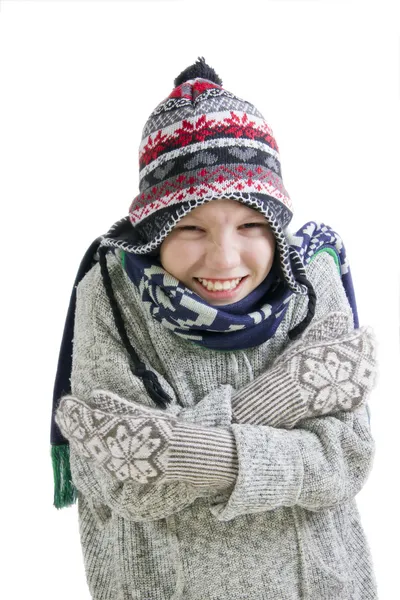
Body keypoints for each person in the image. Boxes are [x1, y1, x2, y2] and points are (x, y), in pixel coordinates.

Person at [50, 57, 379, 600]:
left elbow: (345, 457)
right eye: (190, 228)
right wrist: (288, 395)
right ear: (154, 231)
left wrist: (173, 447)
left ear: (276, 225)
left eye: (250, 224)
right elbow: (124, 484)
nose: (224, 258)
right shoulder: (111, 294)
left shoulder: (312, 278)